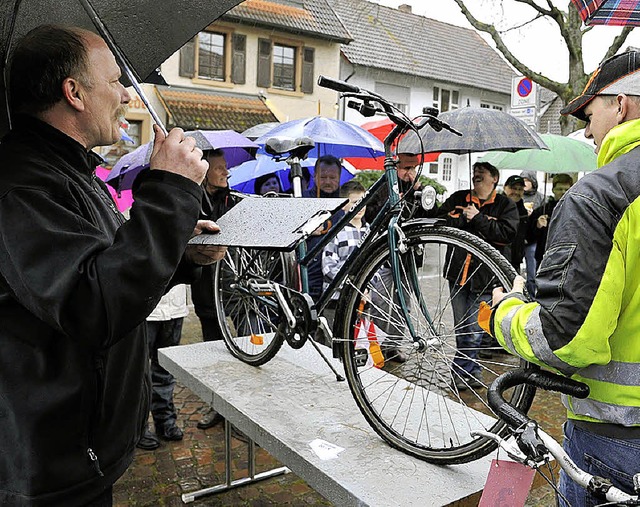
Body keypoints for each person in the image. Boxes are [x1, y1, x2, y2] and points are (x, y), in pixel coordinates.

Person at [0, 25, 225, 506]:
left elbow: (106, 268)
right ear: (74, 93)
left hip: (87, 448)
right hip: (53, 467)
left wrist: (181, 255)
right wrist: (167, 191)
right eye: (115, 80)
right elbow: (90, 305)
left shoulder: (72, 171)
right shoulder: (22, 185)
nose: (126, 94)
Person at [487, 51, 640, 506]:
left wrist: (502, 314)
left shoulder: (602, 195)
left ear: (621, 105)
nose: (588, 132)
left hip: (615, 440)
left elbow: (566, 339)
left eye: (590, 115)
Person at [436, 162, 518, 390]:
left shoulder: (505, 205)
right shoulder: (458, 198)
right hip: (457, 275)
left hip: (484, 280)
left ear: (494, 179)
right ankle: (471, 373)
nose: (476, 175)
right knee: (461, 329)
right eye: (475, 172)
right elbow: (442, 223)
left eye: (482, 173)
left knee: (473, 331)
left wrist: (479, 218)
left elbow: (506, 235)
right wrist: (465, 217)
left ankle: (462, 374)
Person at [191, 148, 240, 430]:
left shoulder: (233, 201)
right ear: (205, 170)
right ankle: (218, 407)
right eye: (220, 167)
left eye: (226, 167)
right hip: (206, 287)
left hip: (235, 287)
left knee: (248, 346)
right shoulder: (193, 200)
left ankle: (246, 409)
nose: (226, 172)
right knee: (214, 351)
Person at [137, 285, 189, 451]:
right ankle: (138, 428)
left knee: (166, 371)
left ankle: (165, 421)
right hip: (143, 310)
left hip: (175, 307)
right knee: (138, 373)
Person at [321, 180, 368, 330]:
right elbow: (328, 267)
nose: (360, 206)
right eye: (355, 202)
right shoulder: (337, 232)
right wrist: (350, 286)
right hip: (336, 298)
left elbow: (375, 266)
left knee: (356, 338)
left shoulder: (370, 231)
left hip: (362, 298)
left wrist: (367, 287)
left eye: (363, 201)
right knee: (333, 337)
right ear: (344, 205)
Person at [302, 155, 343, 302]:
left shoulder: (343, 207)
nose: (327, 182)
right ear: (314, 177)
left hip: (332, 280)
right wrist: (307, 230)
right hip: (306, 276)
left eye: (332, 177)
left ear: (339, 178)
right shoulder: (302, 201)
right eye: (323, 177)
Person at [364, 152, 427, 224]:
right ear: (396, 168)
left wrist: (419, 188)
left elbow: (431, 213)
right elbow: (369, 215)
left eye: (414, 168)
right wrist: (389, 205)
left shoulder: (417, 188)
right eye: (407, 168)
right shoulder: (382, 187)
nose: (411, 172)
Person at [527, 173, 573, 268]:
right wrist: (537, 226)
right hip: (545, 257)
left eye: (566, 189)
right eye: (560, 189)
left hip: (568, 258)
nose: (563, 192)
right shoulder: (542, 211)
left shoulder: (576, 211)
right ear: (553, 190)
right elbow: (529, 236)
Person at [519, 170, 545, 295]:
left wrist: (534, 216)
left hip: (532, 240)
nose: (524, 184)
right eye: (522, 180)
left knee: (532, 274)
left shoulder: (540, 197)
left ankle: (532, 297)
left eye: (526, 181)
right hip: (518, 239)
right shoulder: (517, 195)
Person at [501, 174, 529, 271]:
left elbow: (528, 235)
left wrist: (537, 224)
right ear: (505, 188)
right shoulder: (497, 206)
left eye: (520, 189)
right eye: (513, 188)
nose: (516, 192)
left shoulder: (523, 210)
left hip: (516, 259)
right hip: (498, 257)